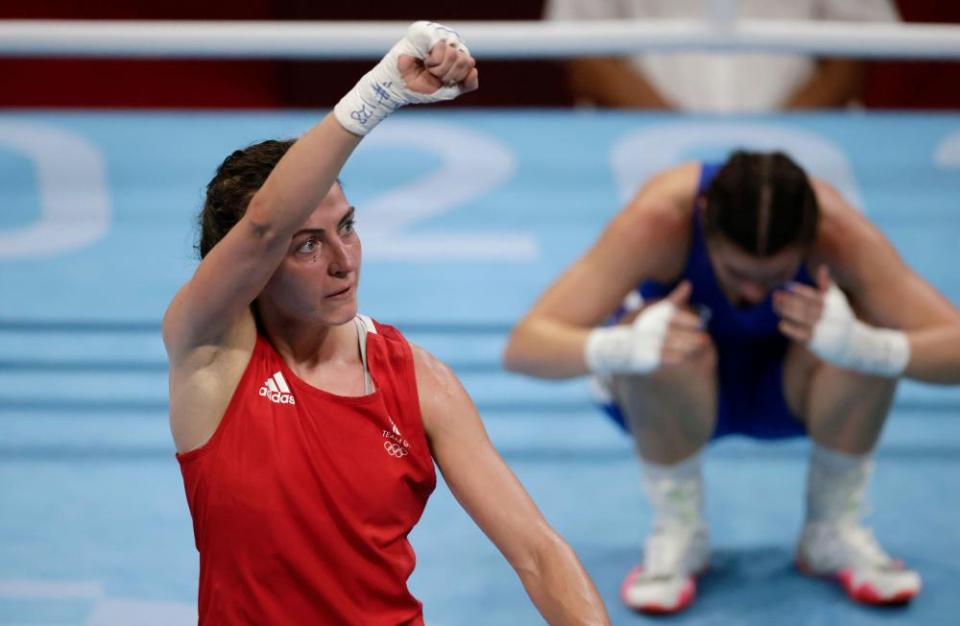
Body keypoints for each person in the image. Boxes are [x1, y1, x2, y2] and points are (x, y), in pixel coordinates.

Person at [162, 21, 610, 625]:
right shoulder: (210, 353)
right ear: (257, 268)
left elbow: (537, 551)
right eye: (307, 246)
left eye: (346, 226)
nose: (343, 262)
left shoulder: (421, 381)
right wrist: (383, 89)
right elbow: (265, 222)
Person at [503, 151, 960, 613]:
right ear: (706, 227)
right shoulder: (659, 221)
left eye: (777, 275)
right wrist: (621, 345)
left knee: (868, 328)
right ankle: (679, 530)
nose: (754, 293)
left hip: (795, 390)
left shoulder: (839, 234)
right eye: (738, 273)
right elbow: (524, 347)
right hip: (675, 397)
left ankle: (831, 531)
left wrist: (868, 347)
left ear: (809, 239)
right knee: (658, 336)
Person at [544, 0, 899, 112]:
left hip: (801, 154)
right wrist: (682, 139)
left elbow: (857, 43)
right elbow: (581, 48)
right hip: (641, 154)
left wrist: (779, 140)